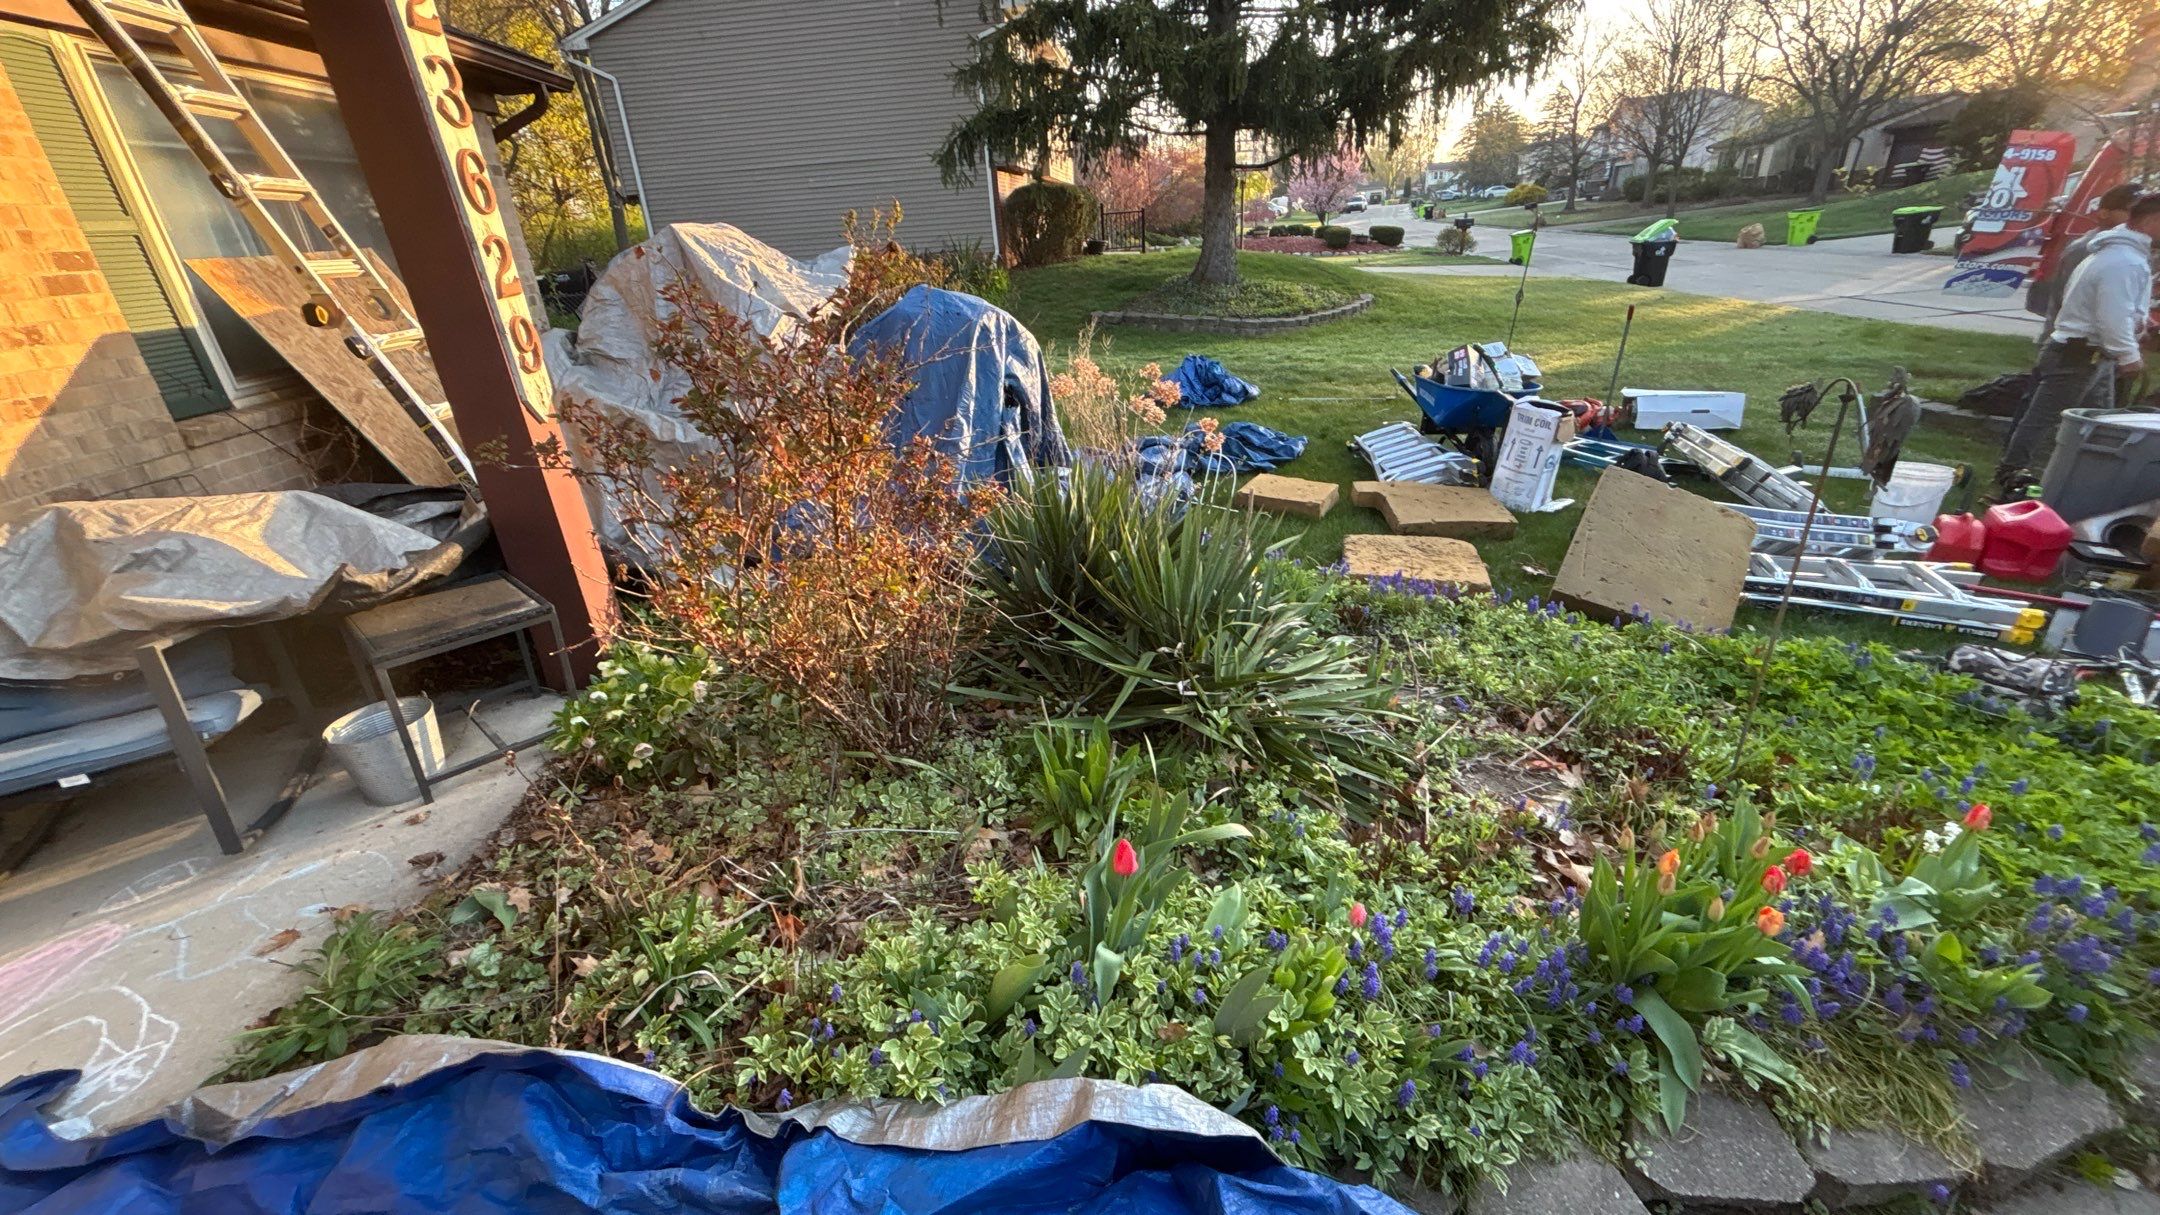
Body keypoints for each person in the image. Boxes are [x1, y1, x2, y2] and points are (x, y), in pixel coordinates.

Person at [1995, 192, 2158, 497]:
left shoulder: (2119, 255)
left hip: (2090, 354)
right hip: (2079, 354)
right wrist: (2129, 355)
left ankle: (2089, 478)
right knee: (2043, 419)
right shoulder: (2122, 261)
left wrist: (2141, 322)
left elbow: (2116, 307)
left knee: (2101, 423)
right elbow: (2111, 317)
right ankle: (2011, 475)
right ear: (2152, 221)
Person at [2038, 184, 2139, 344]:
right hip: (2072, 346)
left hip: (2107, 346)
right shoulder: (2085, 249)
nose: (2139, 218)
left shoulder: (2132, 251)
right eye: (2132, 211)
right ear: (2104, 213)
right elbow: (2066, 302)